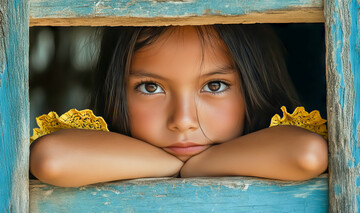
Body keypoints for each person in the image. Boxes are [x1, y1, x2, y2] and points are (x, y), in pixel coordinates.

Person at [29, 25, 328, 187]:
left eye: (214, 86)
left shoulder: (277, 137)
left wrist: (198, 165)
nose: (183, 121)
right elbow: (51, 158)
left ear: (253, 88)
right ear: (115, 91)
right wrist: (178, 166)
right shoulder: (99, 140)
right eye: (150, 87)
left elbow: (307, 154)